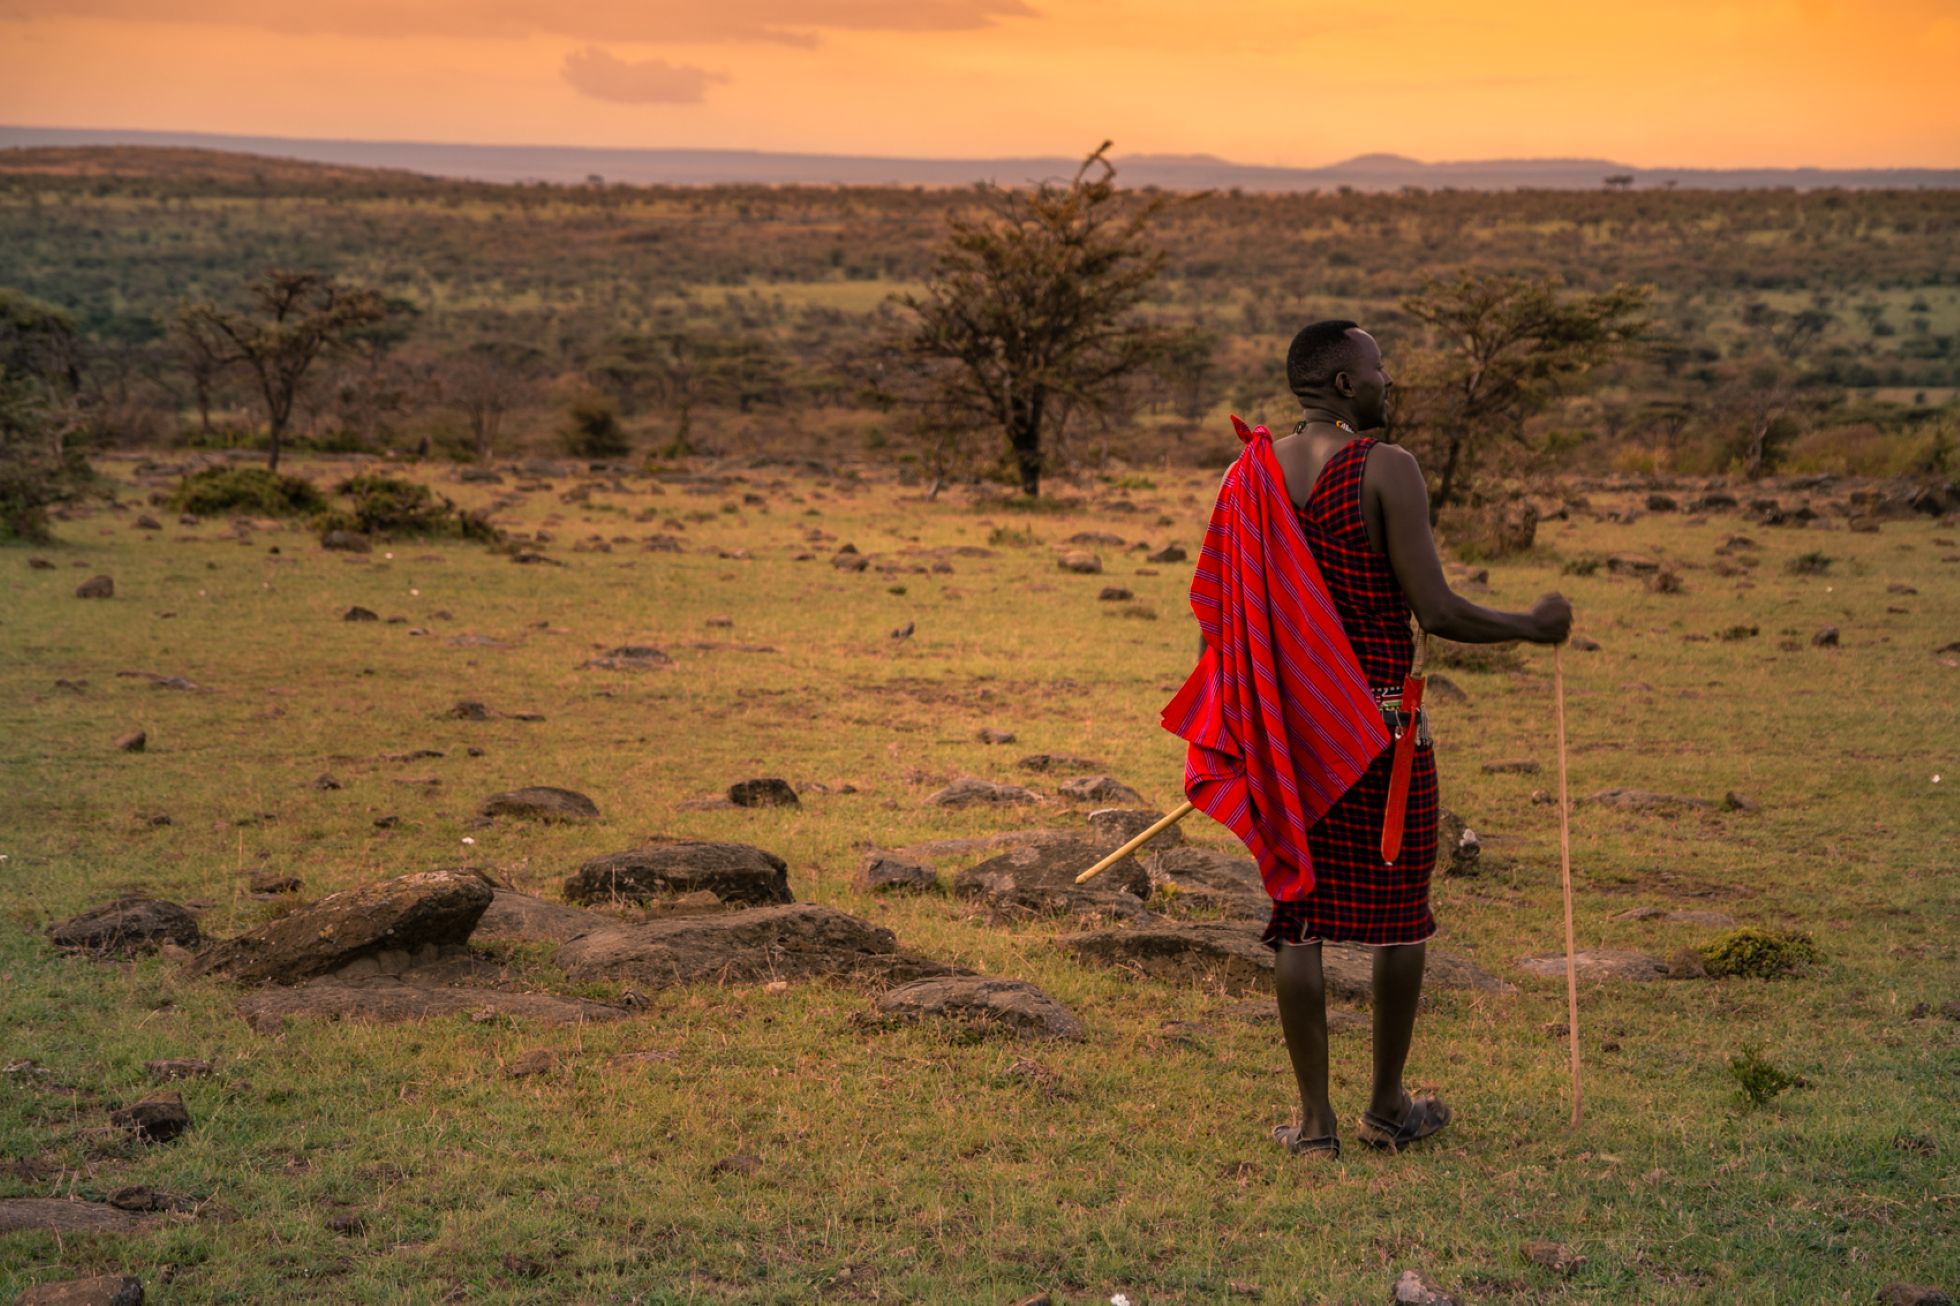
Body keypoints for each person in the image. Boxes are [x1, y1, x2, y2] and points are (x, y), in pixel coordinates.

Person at [1263, 320, 1572, 1159]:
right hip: (1381, 728)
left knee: (1297, 919)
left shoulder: (1248, 471)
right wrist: (1531, 625)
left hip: (1289, 730)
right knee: (1399, 920)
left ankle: (1314, 1126)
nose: (1387, 380)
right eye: (1375, 369)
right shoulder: (1386, 468)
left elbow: (1232, 614)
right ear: (1340, 385)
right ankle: (1388, 1107)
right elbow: (1436, 610)